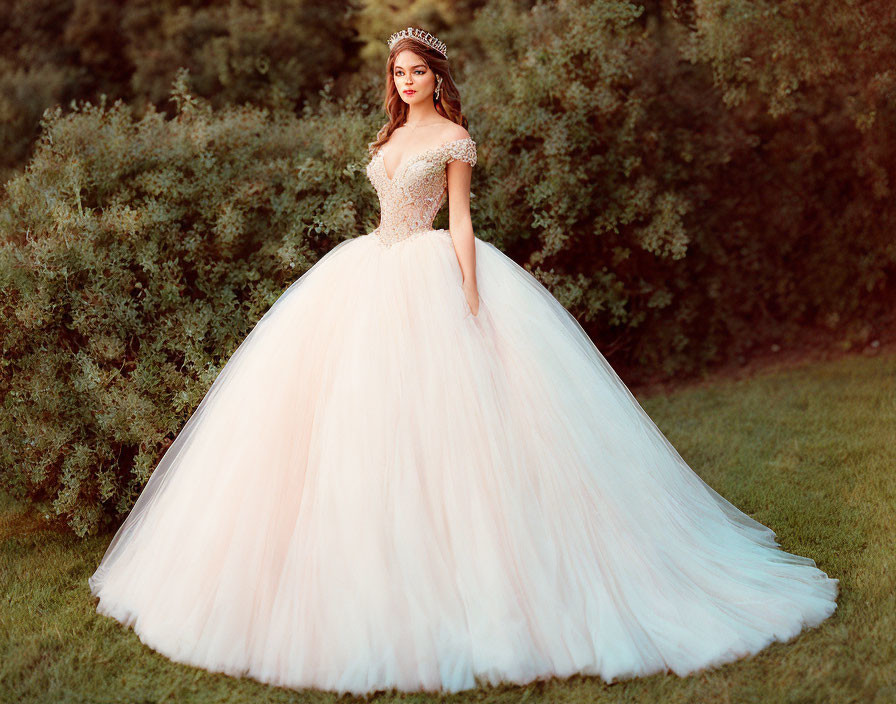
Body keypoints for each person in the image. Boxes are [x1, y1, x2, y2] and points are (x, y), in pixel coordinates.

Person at [88, 26, 839, 696]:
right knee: (349, 425)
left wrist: (470, 296)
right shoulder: (386, 138)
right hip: (364, 275)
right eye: (398, 72)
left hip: (429, 274)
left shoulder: (453, 138)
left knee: (455, 433)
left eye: (416, 71)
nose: (405, 81)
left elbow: (461, 218)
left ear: (437, 77)